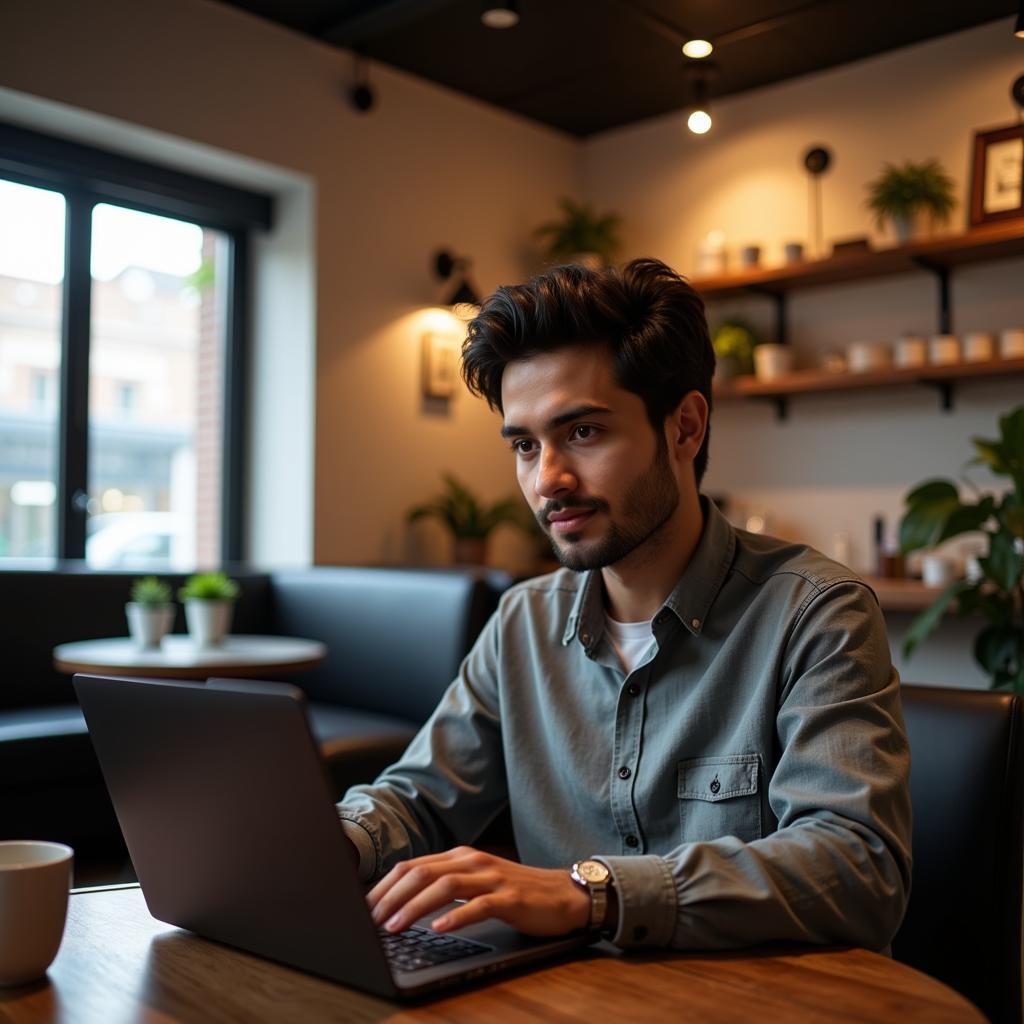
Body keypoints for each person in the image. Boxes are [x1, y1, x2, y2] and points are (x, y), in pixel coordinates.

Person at [337, 257, 912, 951]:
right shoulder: (523, 621)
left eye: (583, 433)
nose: (548, 480)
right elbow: (421, 796)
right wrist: (331, 845)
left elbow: (857, 868)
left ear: (685, 428)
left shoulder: (816, 614)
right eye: (525, 445)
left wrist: (590, 894)